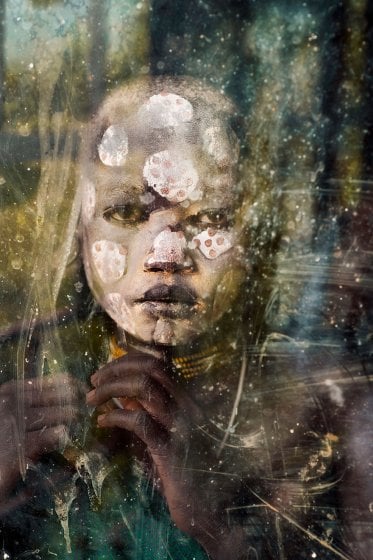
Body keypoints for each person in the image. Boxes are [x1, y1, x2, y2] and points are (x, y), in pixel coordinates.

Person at [0, 76, 370, 560]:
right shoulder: (16, 372)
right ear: (81, 229)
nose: (166, 253)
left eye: (212, 218)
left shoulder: (334, 406)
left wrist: (218, 526)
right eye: (127, 210)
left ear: (257, 238)